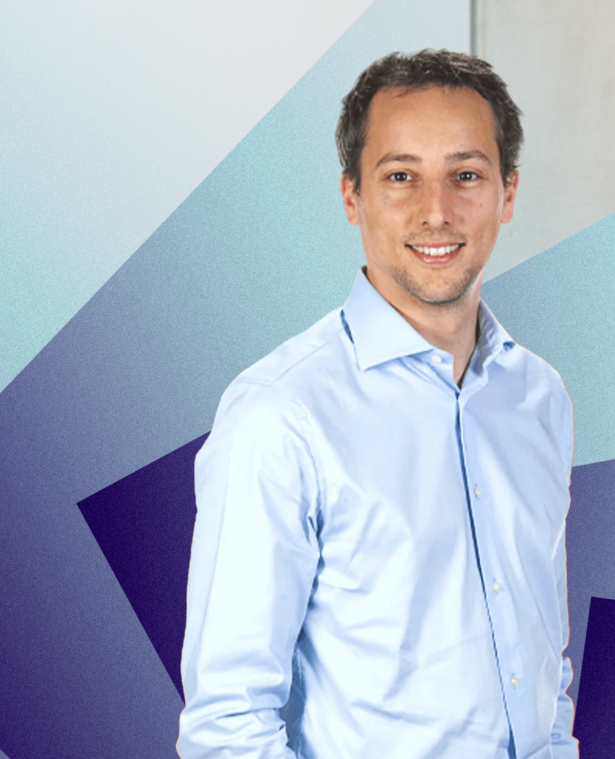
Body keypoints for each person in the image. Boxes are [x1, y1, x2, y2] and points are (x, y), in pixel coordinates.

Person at [177, 49, 578, 759]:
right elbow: (228, 725)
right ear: (351, 197)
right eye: (400, 176)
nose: (436, 211)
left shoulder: (538, 397)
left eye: (466, 175)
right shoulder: (281, 415)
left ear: (508, 193)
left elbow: (546, 663)